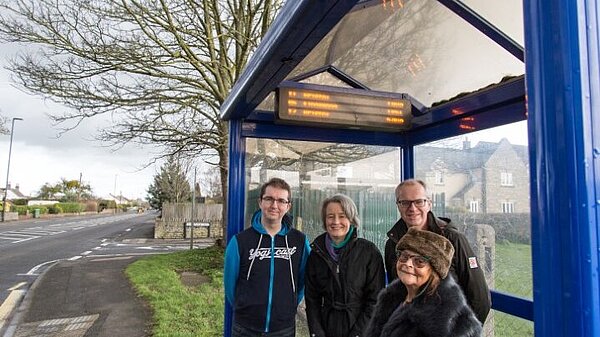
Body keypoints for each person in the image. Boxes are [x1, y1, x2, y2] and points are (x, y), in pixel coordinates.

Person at [384, 179, 491, 324]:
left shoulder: (453, 240)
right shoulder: (393, 244)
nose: (412, 208)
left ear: (429, 203)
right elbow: (396, 292)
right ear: (398, 205)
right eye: (405, 202)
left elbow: (479, 298)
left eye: (419, 202)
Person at [224, 177, 311, 337]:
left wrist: (288, 306)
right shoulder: (240, 241)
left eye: (281, 201)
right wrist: (244, 306)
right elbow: (230, 286)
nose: (274, 205)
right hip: (245, 328)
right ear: (260, 202)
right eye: (269, 199)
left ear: (288, 206)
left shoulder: (299, 241)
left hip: (283, 328)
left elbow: (303, 281)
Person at [366, 227, 482, 337]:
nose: (408, 264)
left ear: (435, 270)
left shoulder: (449, 320)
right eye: (404, 257)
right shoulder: (390, 298)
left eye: (420, 261)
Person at [305, 194, 386, 337]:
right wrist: (317, 332)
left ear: (351, 219)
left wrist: (358, 334)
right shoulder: (316, 253)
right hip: (327, 327)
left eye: (342, 216)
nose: (336, 221)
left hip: (361, 328)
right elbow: (312, 299)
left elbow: (375, 300)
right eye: (330, 216)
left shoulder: (369, 252)